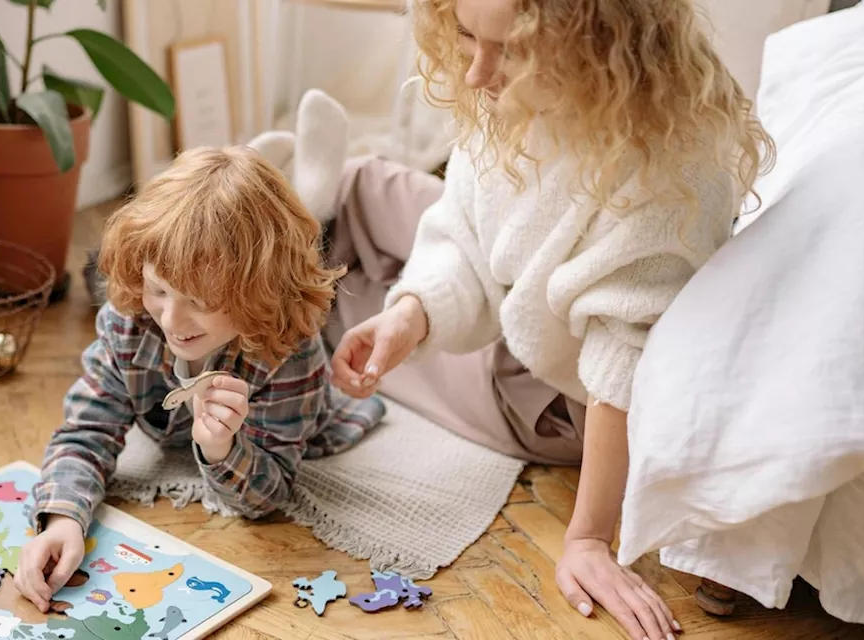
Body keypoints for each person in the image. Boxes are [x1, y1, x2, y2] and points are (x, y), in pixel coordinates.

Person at [304, 1, 775, 639]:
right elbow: (464, 227)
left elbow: (620, 367)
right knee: (367, 187)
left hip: (559, 394)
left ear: (601, 44)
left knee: (339, 308)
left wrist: (587, 539)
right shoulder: (510, 95)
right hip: (519, 295)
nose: (476, 73)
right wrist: (412, 315)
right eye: (468, 37)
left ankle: (294, 240)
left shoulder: (666, 170)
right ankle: (307, 207)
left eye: (513, 50)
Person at [14, 145, 387, 612]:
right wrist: (62, 517)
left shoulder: (288, 351)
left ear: (258, 294)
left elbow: (267, 494)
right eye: (159, 290)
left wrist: (221, 449)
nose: (172, 319)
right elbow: (86, 429)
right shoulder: (128, 321)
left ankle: (313, 180)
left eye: (201, 301)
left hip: (288, 425)